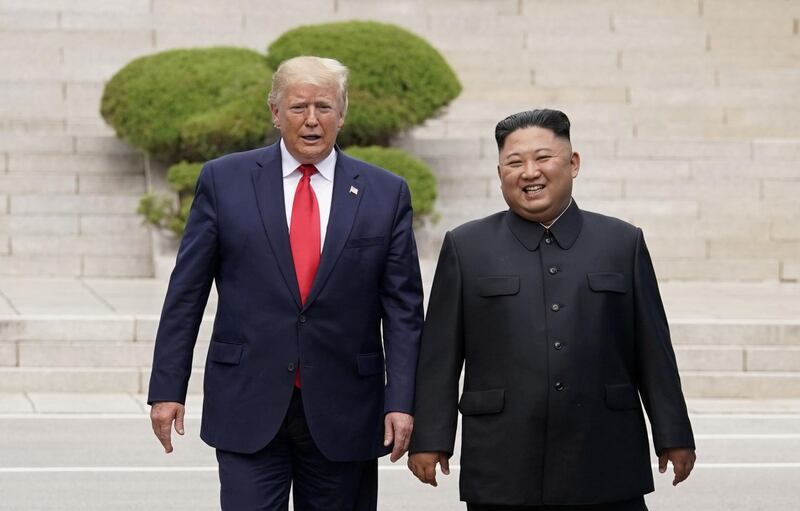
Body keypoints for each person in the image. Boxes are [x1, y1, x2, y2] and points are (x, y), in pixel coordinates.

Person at [148, 56, 424, 510]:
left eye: (324, 106)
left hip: (346, 407)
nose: (312, 120)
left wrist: (403, 399)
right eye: (298, 107)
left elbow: (403, 311)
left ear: (343, 111)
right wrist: (166, 388)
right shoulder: (224, 180)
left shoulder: (385, 192)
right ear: (275, 113)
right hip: (248, 400)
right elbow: (186, 293)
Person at [408, 109, 696, 510]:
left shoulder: (621, 242)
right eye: (514, 162)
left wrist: (674, 433)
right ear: (500, 172)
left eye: (543, 158)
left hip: (605, 456)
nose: (529, 172)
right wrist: (431, 439)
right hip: (502, 460)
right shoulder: (467, 246)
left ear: (573, 163)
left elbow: (652, 348)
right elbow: (440, 355)